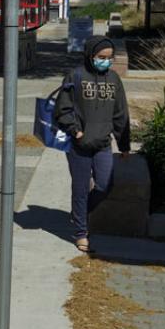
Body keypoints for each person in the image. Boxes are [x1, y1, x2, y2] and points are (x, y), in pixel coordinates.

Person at [54, 36, 131, 253]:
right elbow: (62, 108)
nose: (106, 61)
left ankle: (79, 213)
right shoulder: (76, 76)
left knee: (104, 185)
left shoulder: (114, 79)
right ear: (90, 56)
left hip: (103, 144)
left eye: (109, 58)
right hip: (79, 145)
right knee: (80, 189)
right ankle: (81, 232)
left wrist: (124, 144)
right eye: (101, 57)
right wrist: (75, 131)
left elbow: (120, 114)